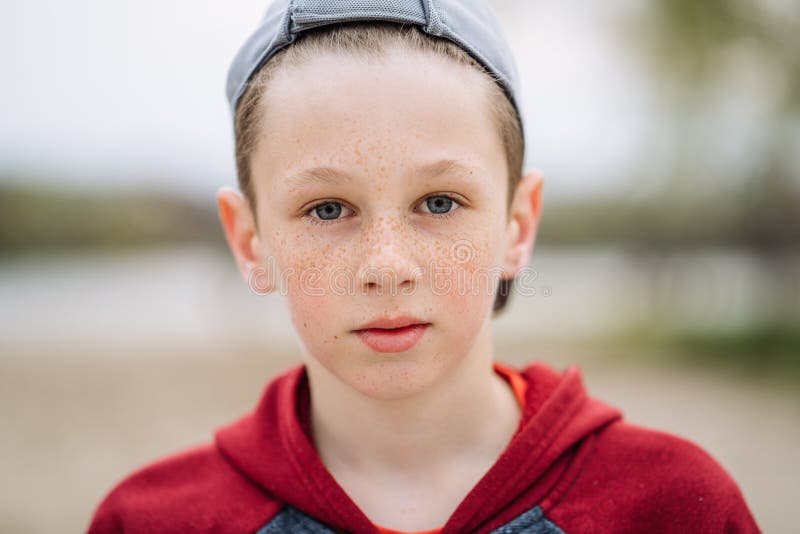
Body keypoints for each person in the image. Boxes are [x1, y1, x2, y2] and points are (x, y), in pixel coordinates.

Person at [87, 1, 761, 532]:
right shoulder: (151, 520)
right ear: (250, 240)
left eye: (439, 201)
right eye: (327, 209)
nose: (387, 266)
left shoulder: (673, 508)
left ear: (517, 227)